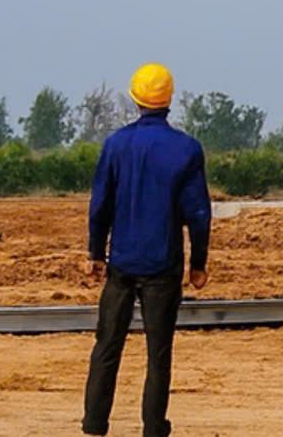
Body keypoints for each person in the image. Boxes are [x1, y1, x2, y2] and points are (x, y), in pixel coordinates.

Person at [83, 63, 211, 437]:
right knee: (158, 353)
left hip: (121, 264)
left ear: (136, 98)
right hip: (163, 265)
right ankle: (154, 427)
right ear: (169, 100)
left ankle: (94, 423)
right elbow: (198, 213)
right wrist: (198, 263)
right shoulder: (187, 149)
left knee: (107, 346)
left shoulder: (116, 145)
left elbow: (100, 205)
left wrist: (96, 253)